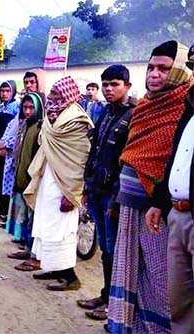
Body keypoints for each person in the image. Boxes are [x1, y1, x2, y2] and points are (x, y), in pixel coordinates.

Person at [109, 40, 192, 334]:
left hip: (161, 212)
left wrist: (159, 202)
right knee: (135, 273)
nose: (154, 74)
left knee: (162, 280)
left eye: (164, 69)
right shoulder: (145, 105)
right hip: (132, 206)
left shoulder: (183, 107)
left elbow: (168, 163)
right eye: (151, 67)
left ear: (180, 71)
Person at [77, 65, 136, 322]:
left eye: (115, 84)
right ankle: (105, 294)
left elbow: (126, 161)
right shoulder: (104, 113)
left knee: (114, 250)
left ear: (127, 86)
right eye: (105, 85)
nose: (109, 89)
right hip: (97, 191)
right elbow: (95, 153)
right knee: (105, 250)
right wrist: (87, 188)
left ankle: (115, 305)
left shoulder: (132, 116)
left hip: (114, 197)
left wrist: (115, 198)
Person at [23, 76, 92, 291]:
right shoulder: (52, 116)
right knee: (46, 224)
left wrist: (72, 194)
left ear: (67, 95)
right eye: (51, 92)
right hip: (47, 179)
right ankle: (53, 268)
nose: (52, 96)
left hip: (65, 185)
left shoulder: (76, 120)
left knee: (62, 230)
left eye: (57, 93)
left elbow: (79, 159)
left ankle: (69, 276)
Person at [164, 45, 194, 334]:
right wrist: (159, 202)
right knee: (179, 301)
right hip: (177, 215)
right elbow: (175, 160)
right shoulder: (189, 110)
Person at [5, 92, 45, 273]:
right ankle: (28, 249)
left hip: (33, 183)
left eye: (31, 108)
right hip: (21, 180)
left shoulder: (40, 128)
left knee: (35, 220)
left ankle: (35, 256)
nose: (28, 111)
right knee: (27, 218)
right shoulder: (24, 126)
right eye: (25, 108)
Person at [0, 81, 19, 223]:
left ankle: (6, 213)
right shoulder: (1, 107)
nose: (5, 94)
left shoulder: (16, 107)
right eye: (2, 91)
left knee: (5, 182)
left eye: (8, 91)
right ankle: (1, 210)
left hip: (7, 151)